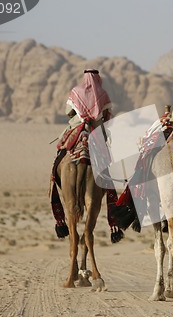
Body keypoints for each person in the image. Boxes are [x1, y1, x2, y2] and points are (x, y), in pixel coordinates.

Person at [50, 69, 121, 240]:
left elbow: (69, 112)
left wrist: (80, 113)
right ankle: (113, 213)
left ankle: (55, 177)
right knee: (108, 167)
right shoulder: (102, 93)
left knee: (61, 153)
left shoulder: (76, 91)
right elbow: (107, 115)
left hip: (77, 128)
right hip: (96, 132)